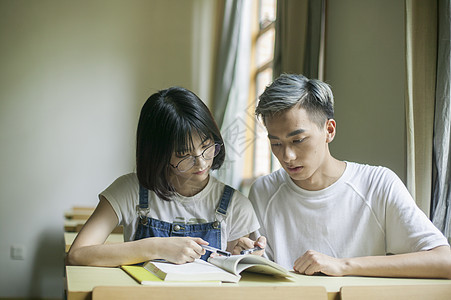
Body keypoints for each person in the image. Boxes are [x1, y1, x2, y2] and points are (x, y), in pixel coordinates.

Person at [249, 73, 451, 278]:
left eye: (298, 140)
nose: (287, 156)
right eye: (276, 143)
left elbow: (445, 261)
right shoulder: (263, 191)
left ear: (329, 130)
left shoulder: (377, 184)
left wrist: (344, 266)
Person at [67, 86, 265, 267]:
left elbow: (231, 272)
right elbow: (77, 254)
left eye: (206, 147)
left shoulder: (235, 205)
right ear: (158, 155)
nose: (202, 163)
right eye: (184, 155)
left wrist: (242, 256)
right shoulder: (130, 191)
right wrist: (156, 248)